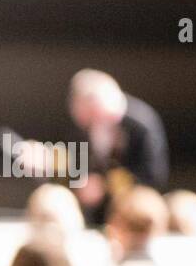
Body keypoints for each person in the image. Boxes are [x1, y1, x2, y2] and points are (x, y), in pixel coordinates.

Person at [66, 69, 169, 224]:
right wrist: (80, 182)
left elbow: (153, 175)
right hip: (96, 213)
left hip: (135, 210)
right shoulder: (85, 126)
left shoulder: (141, 124)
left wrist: (105, 185)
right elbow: (75, 162)